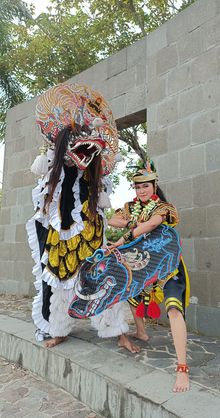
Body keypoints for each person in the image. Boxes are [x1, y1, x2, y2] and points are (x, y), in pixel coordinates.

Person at [27, 83, 139, 351]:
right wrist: (56, 148)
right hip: (60, 227)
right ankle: (59, 329)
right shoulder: (56, 151)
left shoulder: (93, 145)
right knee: (60, 281)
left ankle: (118, 331)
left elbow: (90, 164)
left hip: (88, 224)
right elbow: (43, 176)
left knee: (99, 276)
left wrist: (95, 137)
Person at [106, 161, 191, 392]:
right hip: (143, 264)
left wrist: (123, 239)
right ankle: (141, 332)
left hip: (167, 265)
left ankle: (182, 368)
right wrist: (132, 221)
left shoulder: (163, 207)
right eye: (137, 187)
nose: (141, 191)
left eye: (146, 186)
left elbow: (152, 225)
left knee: (173, 308)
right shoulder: (131, 206)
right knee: (133, 297)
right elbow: (112, 220)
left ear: (154, 186)